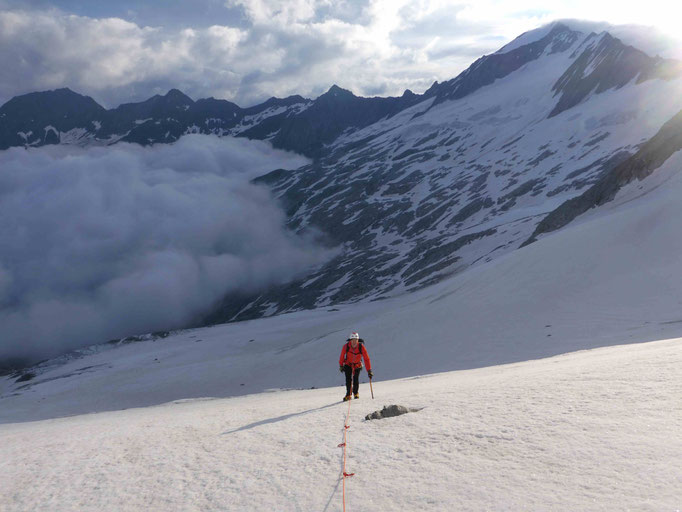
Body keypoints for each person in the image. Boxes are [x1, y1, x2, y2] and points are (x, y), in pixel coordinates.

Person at [339, 331, 373, 401]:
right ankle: (348, 395)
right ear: (350, 340)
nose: (354, 342)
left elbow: (366, 359)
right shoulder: (346, 347)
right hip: (348, 364)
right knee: (348, 380)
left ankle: (356, 393)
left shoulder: (361, 347)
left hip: (357, 365)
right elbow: (342, 356)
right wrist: (341, 365)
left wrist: (369, 370)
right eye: (353, 340)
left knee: (355, 379)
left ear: (358, 340)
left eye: (356, 340)